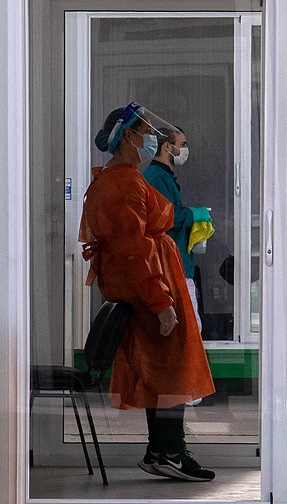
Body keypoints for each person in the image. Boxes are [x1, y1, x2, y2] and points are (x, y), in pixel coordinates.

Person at [80, 103, 216, 481]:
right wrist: (162, 304)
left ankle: (160, 451)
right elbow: (135, 251)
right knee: (172, 373)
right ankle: (170, 452)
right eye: (144, 133)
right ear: (128, 137)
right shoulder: (122, 184)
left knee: (162, 373)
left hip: (153, 285)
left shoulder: (122, 178)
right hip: (152, 291)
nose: (151, 139)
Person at [143, 125, 210, 407]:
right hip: (171, 265)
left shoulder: (165, 177)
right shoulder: (155, 178)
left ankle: (187, 389)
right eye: (182, 143)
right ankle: (186, 391)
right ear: (167, 147)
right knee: (186, 327)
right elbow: (167, 218)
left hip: (179, 262)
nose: (185, 149)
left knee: (190, 325)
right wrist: (195, 214)